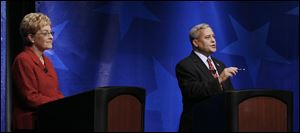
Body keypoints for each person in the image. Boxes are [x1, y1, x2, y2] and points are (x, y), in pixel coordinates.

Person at [175, 23, 238, 132]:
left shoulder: (220, 65)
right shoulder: (185, 65)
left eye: (213, 36)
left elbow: (229, 95)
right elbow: (193, 92)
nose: (213, 40)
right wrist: (219, 79)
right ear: (196, 42)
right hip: (197, 125)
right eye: (207, 37)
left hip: (221, 125)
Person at [11, 13, 64, 131]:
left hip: (48, 120)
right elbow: (29, 97)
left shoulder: (48, 62)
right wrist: (59, 103)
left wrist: (66, 103)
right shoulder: (23, 60)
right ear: (31, 38)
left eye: (51, 33)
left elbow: (55, 92)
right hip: (31, 123)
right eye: (45, 33)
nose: (51, 37)